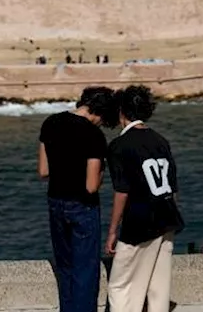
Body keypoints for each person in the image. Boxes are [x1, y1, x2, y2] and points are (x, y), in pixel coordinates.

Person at [38, 86, 118, 312]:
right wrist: (102, 169)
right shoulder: (93, 135)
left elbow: (43, 171)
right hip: (82, 206)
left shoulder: (50, 123)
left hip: (55, 202)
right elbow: (91, 186)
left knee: (65, 267)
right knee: (85, 269)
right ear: (100, 112)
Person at [105, 86, 184, 312]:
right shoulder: (160, 140)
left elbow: (122, 191)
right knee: (158, 287)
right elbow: (172, 186)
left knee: (121, 285)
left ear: (122, 111)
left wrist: (112, 230)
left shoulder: (119, 146)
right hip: (167, 217)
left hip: (140, 222)